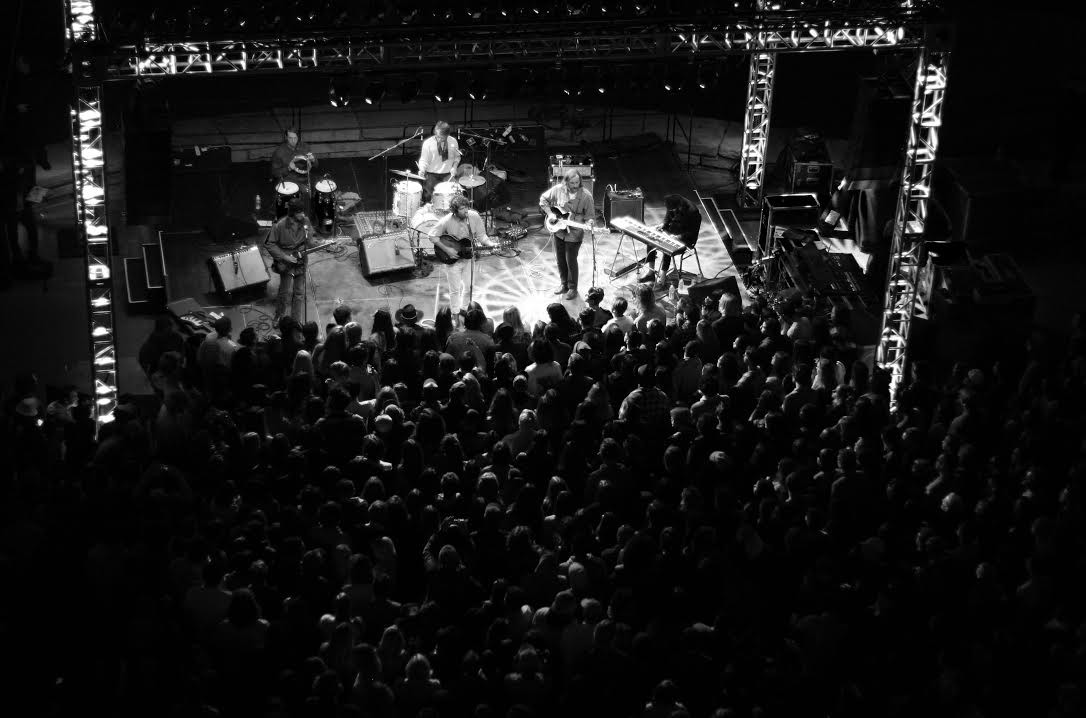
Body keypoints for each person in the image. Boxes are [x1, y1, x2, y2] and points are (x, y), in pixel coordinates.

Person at [539, 168, 594, 301]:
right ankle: (563, 284)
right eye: (572, 183)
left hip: (574, 233)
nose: (575, 186)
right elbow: (543, 199)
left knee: (571, 261)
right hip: (559, 231)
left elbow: (590, 217)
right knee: (560, 259)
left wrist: (589, 223)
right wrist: (550, 214)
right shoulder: (558, 189)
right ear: (566, 182)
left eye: (577, 183)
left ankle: (572, 288)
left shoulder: (586, 196)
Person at [430, 195, 486, 315]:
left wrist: (491, 244)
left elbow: (482, 235)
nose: (465, 211)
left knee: (469, 286)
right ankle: (455, 313)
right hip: (452, 261)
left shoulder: (473, 217)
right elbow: (432, 236)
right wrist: (447, 250)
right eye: (461, 209)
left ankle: (465, 309)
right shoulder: (447, 220)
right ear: (455, 211)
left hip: (468, 258)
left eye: (466, 207)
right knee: (455, 290)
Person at [265, 200, 318, 321]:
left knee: (299, 292)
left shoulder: (306, 221)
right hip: (286, 262)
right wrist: (285, 257)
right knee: (284, 292)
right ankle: (279, 315)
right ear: (293, 213)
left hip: (301, 260)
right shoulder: (280, 225)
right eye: (300, 212)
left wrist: (321, 243)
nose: (303, 215)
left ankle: (296, 320)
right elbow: (270, 244)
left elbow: (310, 240)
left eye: (303, 212)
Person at [639, 194, 702, 286]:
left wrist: (678, 237)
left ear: (679, 205)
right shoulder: (673, 203)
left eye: (674, 210)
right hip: (673, 232)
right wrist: (662, 226)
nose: (672, 211)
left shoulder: (692, 212)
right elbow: (667, 218)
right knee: (651, 240)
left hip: (686, 239)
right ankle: (650, 273)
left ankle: (663, 277)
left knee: (666, 247)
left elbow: (692, 233)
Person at [418, 121, 461, 202]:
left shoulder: (453, 141)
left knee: (450, 201)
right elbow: (424, 160)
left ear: (447, 135)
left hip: (448, 175)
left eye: (442, 137)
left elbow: (457, 157)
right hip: (432, 176)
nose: (439, 139)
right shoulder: (428, 143)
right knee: (429, 201)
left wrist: (454, 167)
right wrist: (422, 169)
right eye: (437, 136)